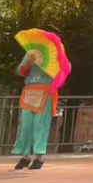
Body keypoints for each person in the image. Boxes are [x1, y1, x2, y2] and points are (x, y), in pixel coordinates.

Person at [11, 38, 71, 170]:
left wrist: (53, 70)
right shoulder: (31, 52)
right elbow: (20, 71)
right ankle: (25, 156)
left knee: (41, 125)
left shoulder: (56, 53)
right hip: (29, 91)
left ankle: (39, 157)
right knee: (25, 125)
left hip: (45, 91)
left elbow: (67, 68)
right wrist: (28, 63)